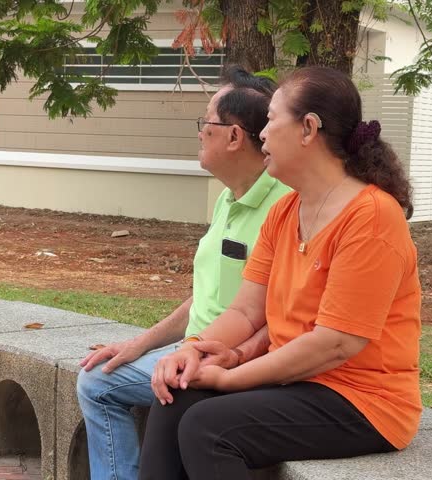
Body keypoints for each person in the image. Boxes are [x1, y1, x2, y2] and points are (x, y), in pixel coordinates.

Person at [138, 66, 422, 480]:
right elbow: (246, 311)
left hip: (363, 400)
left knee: (209, 429)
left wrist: (229, 378)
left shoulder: (372, 216)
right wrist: (193, 349)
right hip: (299, 384)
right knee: (177, 394)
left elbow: (335, 344)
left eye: (271, 119)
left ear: (308, 128)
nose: (263, 133)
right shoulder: (285, 212)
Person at [76, 65, 292, 480]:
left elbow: (275, 312)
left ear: (234, 136)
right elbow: (206, 296)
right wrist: (138, 344)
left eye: (206, 121)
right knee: (98, 374)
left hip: (231, 360)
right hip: (198, 349)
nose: (198, 131)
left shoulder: (282, 207)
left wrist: (210, 356)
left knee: (105, 388)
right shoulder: (229, 199)